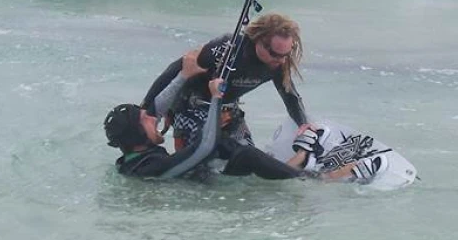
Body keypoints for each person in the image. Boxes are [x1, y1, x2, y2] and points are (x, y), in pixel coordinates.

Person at [140, 13, 307, 160]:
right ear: (259, 40)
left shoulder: (277, 63)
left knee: (247, 163)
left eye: (286, 54)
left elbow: (290, 95)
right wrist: (148, 111)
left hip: (228, 113)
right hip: (191, 111)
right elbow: (178, 69)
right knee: (201, 173)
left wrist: (303, 124)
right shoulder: (227, 48)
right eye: (274, 54)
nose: (280, 60)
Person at [102, 103, 380, 182]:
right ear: (137, 135)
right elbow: (195, 153)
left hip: (207, 178)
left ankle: (295, 162)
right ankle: (318, 176)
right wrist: (213, 112)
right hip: (206, 191)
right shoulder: (147, 167)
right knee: (244, 156)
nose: (154, 118)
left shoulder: (134, 161)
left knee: (227, 144)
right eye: (146, 119)